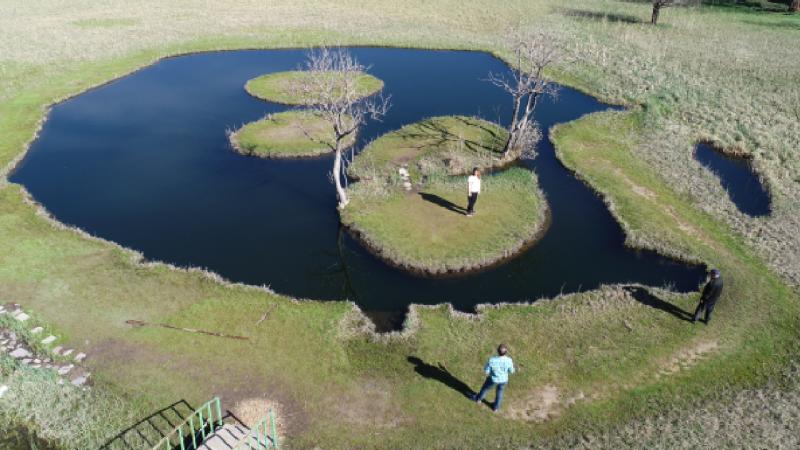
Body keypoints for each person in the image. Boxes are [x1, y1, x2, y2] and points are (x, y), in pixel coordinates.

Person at [472, 344, 515, 412]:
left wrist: (491, 373)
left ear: (498, 351)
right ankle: (495, 408)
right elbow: (511, 371)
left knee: (485, 389)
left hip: (493, 379)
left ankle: (478, 399)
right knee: (500, 392)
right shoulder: (509, 360)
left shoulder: (492, 360)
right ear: (506, 352)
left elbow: (486, 370)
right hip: (504, 380)